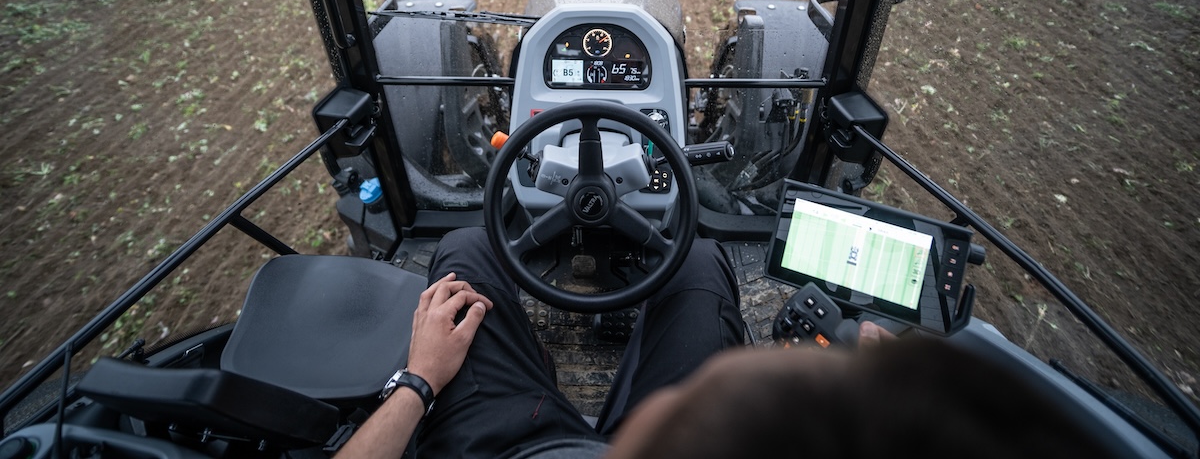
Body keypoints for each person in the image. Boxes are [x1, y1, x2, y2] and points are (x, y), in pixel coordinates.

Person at [337, 228, 1122, 459]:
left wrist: (418, 379)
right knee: (700, 259)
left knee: (471, 250)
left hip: (504, 446)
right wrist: (863, 409)